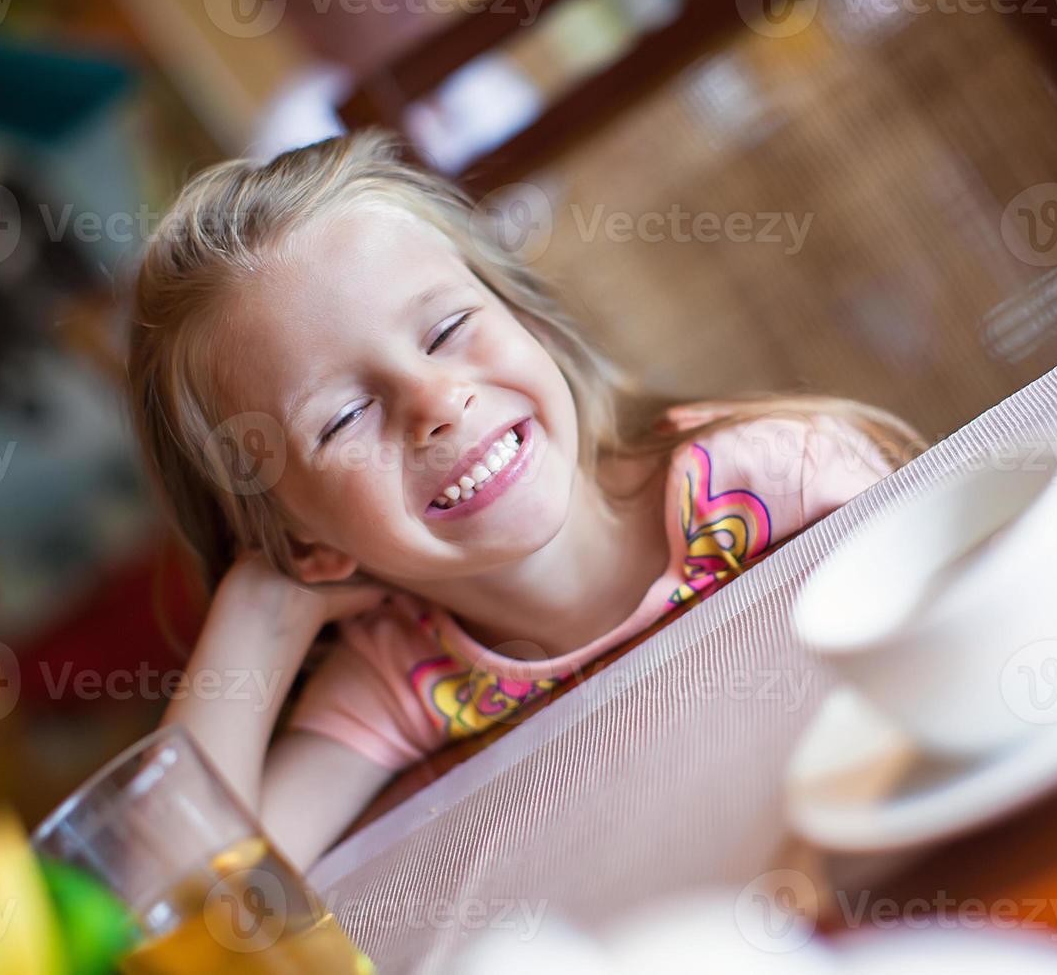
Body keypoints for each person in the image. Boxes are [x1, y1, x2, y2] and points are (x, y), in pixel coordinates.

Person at [127, 131, 920, 869]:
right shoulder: (406, 671)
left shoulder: (783, 478)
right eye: (341, 418)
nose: (435, 399)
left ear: (526, 319)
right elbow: (193, 891)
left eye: (445, 331)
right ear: (310, 544)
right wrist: (262, 605)